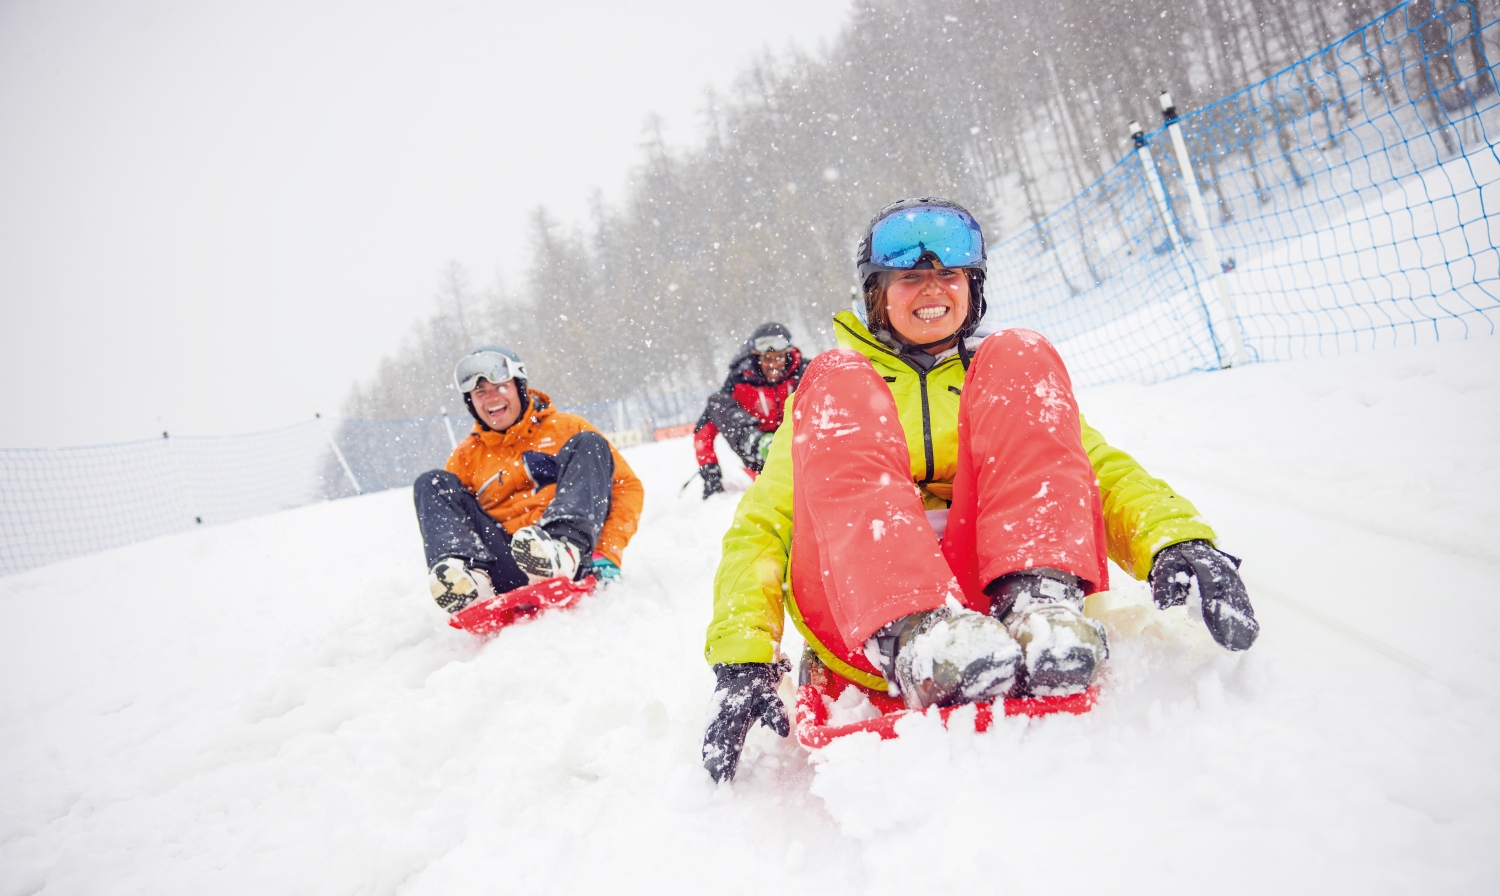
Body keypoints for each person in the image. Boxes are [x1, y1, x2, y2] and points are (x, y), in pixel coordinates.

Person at [700, 198, 1260, 782]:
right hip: (865, 611)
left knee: (1022, 351)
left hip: (991, 590)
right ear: (876, 294)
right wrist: (743, 660)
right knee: (833, 378)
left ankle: (1039, 604)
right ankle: (917, 634)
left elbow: (1088, 466)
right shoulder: (833, 392)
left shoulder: (994, 377)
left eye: (949, 274)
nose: (932, 289)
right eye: (909, 277)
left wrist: (1174, 540)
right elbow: (763, 524)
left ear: (974, 286)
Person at [413, 345, 645, 613]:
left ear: (519, 387)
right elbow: (457, 518)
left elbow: (626, 487)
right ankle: (470, 580)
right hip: (502, 564)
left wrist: (607, 551)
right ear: (471, 402)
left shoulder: (566, 428)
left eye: (499, 387)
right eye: (480, 392)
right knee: (432, 483)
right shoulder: (466, 456)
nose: (490, 399)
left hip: (565, 556)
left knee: (589, 443)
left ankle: (563, 551)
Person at [692, 322, 809, 498]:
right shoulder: (740, 380)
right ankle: (764, 448)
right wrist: (710, 475)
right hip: (759, 458)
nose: (773, 365)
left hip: (802, 448)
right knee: (717, 403)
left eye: (778, 358)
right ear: (757, 357)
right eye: (767, 359)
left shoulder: (804, 372)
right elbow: (703, 433)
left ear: (788, 355)